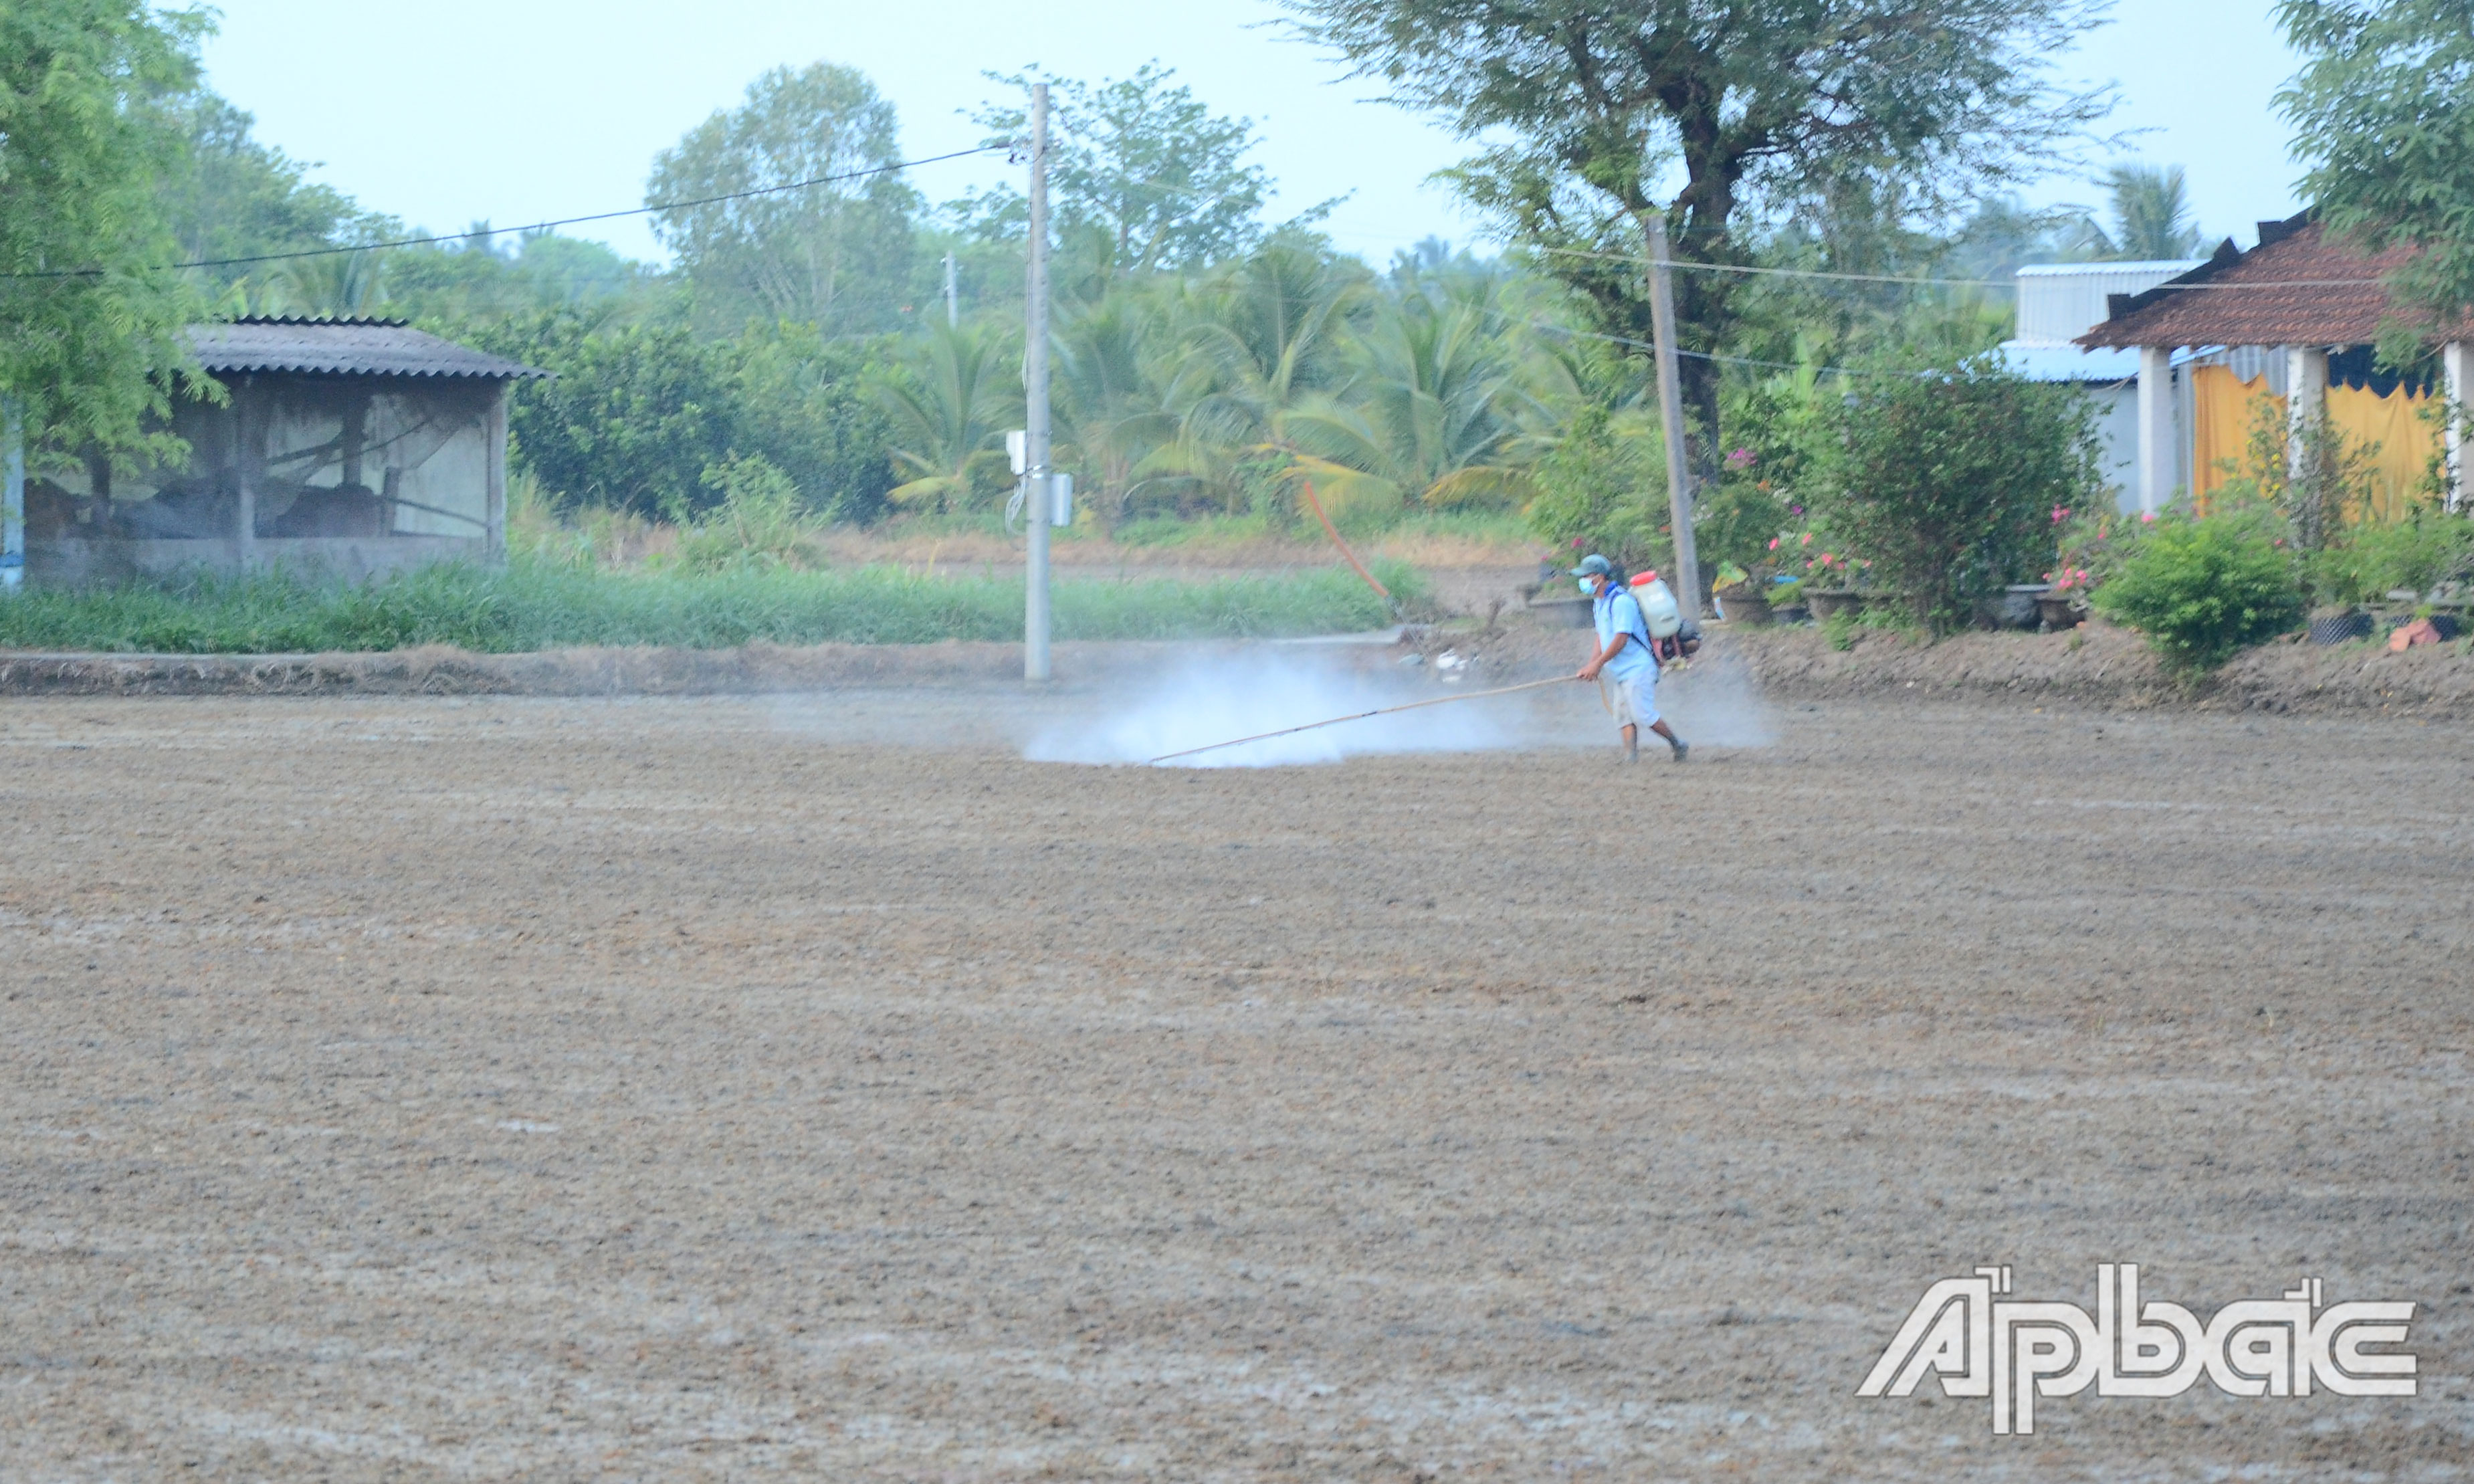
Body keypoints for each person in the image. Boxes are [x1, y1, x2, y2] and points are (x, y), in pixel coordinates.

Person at [1572, 554, 1688, 763]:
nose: (1583, 581)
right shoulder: (1599, 603)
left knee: (1643, 714)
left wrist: (1597, 665)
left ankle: (1677, 743)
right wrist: (1592, 664)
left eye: (1586, 576)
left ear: (1599, 577)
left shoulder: (1621, 602)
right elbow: (1602, 635)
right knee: (1623, 716)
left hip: (1638, 669)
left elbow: (1621, 638)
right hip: (1620, 670)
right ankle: (1630, 757)